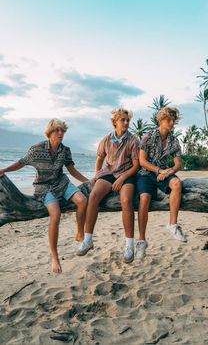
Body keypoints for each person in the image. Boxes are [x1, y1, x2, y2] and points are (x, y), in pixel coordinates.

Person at [0, 119, 88, 273]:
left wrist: (88, 181)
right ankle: (54, 257)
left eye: (62, 131)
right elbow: (21, 163)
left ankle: (80, 232)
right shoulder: (36, 149)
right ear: (50, 132)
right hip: (44, 187)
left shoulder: (65, 150)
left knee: (82, 200)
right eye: (57, 130)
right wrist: (4, 169)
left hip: (62, 183)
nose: (60, 133)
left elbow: (72, 170)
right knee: (56, 214)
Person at [77, 107, 139, 263]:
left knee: (126, 200)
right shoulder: (106, 139)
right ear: (114, 122)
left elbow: (136, 165)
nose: (125, 122)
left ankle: (129, 245)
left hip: (127, 173)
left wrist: (122, 178)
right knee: (94, 195)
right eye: (122, 120)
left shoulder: (133, 140)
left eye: (127, 120)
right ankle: (88, 239)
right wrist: (97, 175)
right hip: (109, 172)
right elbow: (100, 158)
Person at [135, 106, 187, 260]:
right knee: (144, 199)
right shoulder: (148, 137)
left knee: (177, 184)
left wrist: (168, 172)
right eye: (169, 120)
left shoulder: (173, 140)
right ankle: (141, 241)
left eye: (173, 120)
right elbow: (142, 161)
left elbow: (178, 164)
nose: (171, 123)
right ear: (161, 119)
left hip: (164, 173)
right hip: (146, 173)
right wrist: (159, 171)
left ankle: (173, 225)